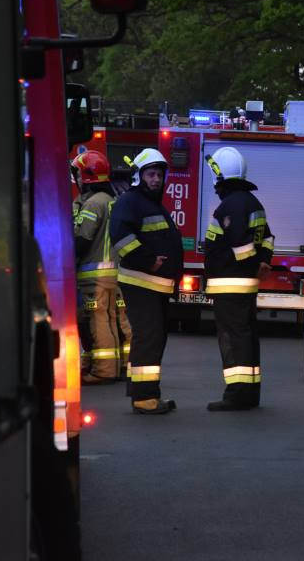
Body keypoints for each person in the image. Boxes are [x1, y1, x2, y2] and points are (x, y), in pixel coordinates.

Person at [109, 148, 183, 414]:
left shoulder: (151, 205)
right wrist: (148, 260)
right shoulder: (129, 202)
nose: (156, 179)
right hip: (141, 282)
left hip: (154, 286)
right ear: (140, 176)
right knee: (148, 337)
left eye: (160, 175)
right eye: (151, 174)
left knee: (153, 337)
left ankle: (145, 392)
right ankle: (144, 398)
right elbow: (121, 237)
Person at [203, 147, 274, 411]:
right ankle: (250, 392)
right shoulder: (253, 203)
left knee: (232, 339)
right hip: (245, 285)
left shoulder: (230, 205)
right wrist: (264, 261)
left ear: (220, 174)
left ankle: (236, 394)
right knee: (246, 336)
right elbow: (267, 237)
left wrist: (251, 261)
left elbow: (240, 245)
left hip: (229, 284)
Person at [70, 151, 131, 385]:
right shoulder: (112, 200)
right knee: (116, 320)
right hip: (114, 274)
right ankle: (124, 365)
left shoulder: (94, 203)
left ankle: (104, 370)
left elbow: (82, 239)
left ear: (86, 176)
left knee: (98, 322)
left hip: (94, 276)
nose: (76, 178)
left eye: (77, 173)